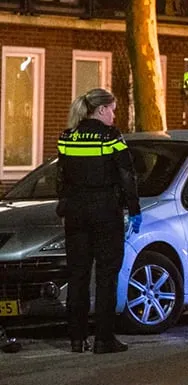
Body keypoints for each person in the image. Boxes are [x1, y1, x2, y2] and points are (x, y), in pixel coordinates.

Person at [55, 88, 140, 355]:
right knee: (106, 275)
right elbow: (127, 174)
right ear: (102, 110)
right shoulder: (110, 137)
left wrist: (66, 204)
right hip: (105, 212)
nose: (114, 115)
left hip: (75, 213)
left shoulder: (67, 137)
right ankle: (104, 338)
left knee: (78, 275)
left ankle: (77, 339)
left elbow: (60, 178)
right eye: (113, 110)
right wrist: (134, 208)